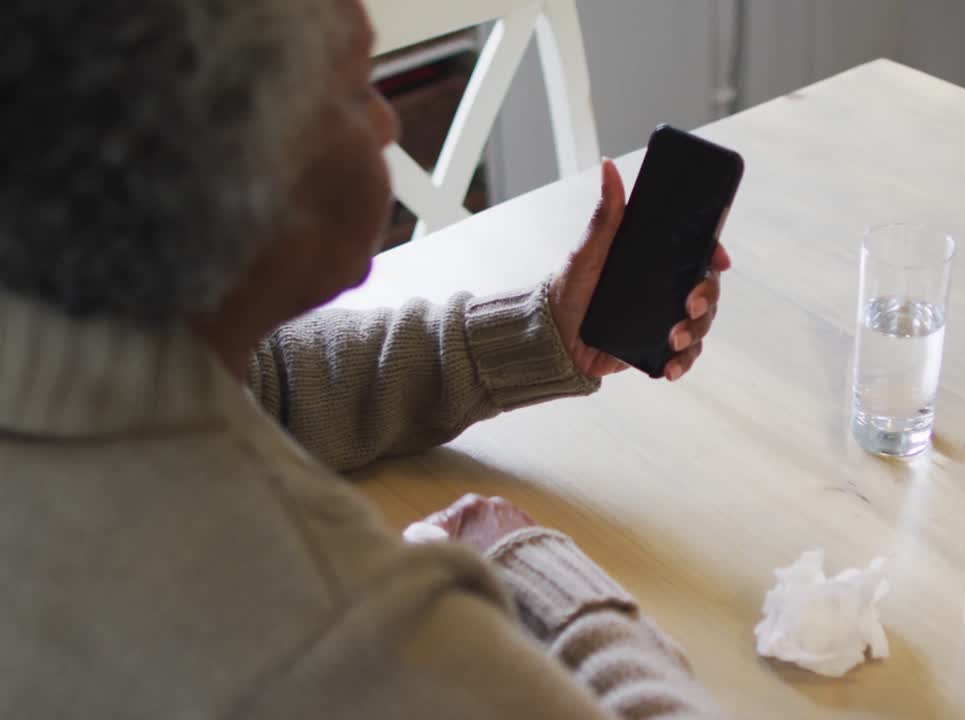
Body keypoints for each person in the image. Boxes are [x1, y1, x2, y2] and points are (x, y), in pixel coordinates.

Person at [0, 1, 728, 717]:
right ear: (239, 170)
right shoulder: (336, 633)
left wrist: (538, 336)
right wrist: (542, 581)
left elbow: (259, 386)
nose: (387, 121)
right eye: (354, 91)